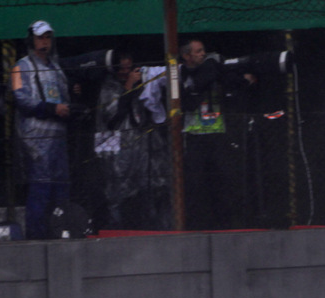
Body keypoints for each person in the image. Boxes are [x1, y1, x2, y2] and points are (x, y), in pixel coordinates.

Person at [179, 38, 256, 231]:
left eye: (203, 50)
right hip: (194, 135)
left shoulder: (214, 70)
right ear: (186, 56)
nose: (203, 54)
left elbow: (232, 82)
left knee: (223, 181)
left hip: (217, 133)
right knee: (196, 184)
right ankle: (196, 224)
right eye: (197, 51)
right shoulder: (180, 74)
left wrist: (243, 80)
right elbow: (185, 101)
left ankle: (225, 223)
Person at [12, 20, 72, 240]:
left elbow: (65, 97)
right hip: (36, 140)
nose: (44, 41)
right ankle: (36, 238)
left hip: (58, 138)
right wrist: (51, 108)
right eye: (40, 37)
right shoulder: (20, 67)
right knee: (40, 190)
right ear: (31, 40)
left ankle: (60, 232)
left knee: (61, 191)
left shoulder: (57, 68)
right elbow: (20, 99)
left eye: (47, 37)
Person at [95, 52, 167, 230]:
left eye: (130, 68)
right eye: (123, 69)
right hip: (117, 151)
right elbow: (112, 117)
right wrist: (128, 87)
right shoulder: (109, 88)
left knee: (149, 189)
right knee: (117, 192)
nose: (127, 72)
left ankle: (151, 225)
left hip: (140, 149)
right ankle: (115, 226)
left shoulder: (141, 85)